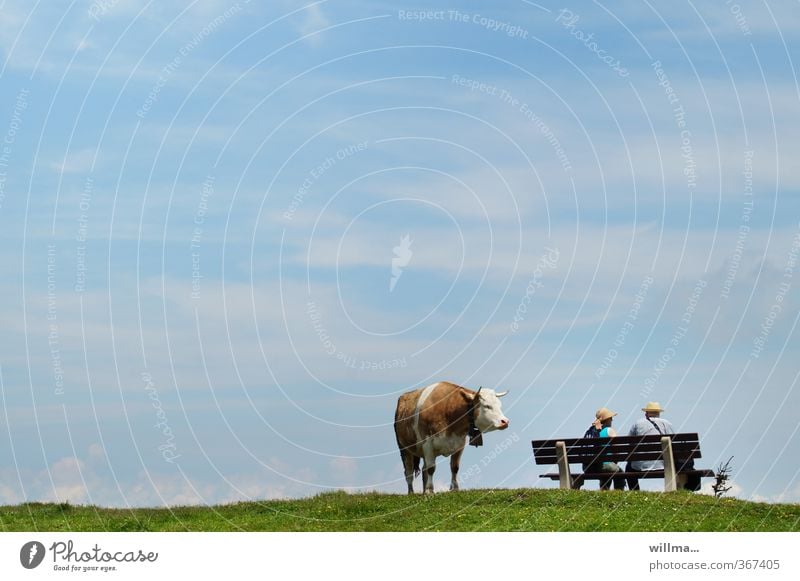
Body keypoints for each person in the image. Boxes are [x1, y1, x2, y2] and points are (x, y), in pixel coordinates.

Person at [626, 402, 699, 491]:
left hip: (639, 466)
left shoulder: (637, 423)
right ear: (659, 413)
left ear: (646, 413)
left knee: (628, 467)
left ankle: (634, 491)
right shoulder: (666, 424)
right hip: (664, 465)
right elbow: (674, 444)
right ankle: (678, 490)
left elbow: (629, 443)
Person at [593, 407, 625, 490]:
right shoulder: (609, 430)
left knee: (608, 469)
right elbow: (617, 448)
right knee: (620, 473)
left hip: (593, 466)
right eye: (611, 418)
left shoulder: (594, 432)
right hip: (605, 465)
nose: (612, 420)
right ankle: (619, 493)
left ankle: (604, 490)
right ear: (607, 420)